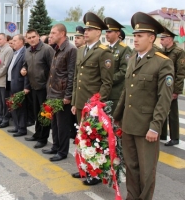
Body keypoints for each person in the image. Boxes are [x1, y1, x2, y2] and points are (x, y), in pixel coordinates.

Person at [113, 12, 174, 200]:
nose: (136, 39)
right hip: (129, 124)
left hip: (147, 127)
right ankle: (132, 196)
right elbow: (126, 91)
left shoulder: (162, 62)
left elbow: (164, 99)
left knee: (147, 170)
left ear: (152, 38)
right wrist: (117, 117)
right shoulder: (133, 59)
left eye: (140, 36)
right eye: (135, 35)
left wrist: (155, 127)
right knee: (131, 166)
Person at [70, 12, 114, 185]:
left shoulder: (103, 53)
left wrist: (97, 104)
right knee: (82, 137)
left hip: (93, 105)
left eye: (90, 29)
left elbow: (106, 83)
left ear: (99, 32)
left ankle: (95, 173)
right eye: (86, 29)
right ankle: (84, 167)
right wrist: (74, 101)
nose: (86, 32)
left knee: (94, 139)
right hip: (81, 103)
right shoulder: (81, 51)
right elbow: (76, 78)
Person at [42, 24, 77, 162]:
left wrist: (68, 95)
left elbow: (71, 73)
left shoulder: (70, 49)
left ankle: (62, 151)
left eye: (54, 32)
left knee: (62, 125)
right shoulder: (57, 49)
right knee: (54, 123)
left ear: (62, 33)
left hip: (62, 94)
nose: (51, 35)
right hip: (53, 91)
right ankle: (55, 146)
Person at [21, 29, 55, 149]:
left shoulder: (47, 49)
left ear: (38, 36)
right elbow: (26, 64)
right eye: (29, 38)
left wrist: (50, 86)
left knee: (44, 114)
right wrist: (24, 69)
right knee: (36, 113)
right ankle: (37, 134)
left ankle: (43, 138)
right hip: (33, 86)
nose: (31, 39)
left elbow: (53, 68)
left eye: (33, 37)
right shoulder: (28, 51)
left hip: (44, 87)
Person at [160, 27, 185, 146]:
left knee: (173, 113)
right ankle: (163, 134)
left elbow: (180, 73)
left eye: (163, 38)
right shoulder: (163, 51)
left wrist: (176, 91)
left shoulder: (178, 52)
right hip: (162, 86)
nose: (161, 41)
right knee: (161, 109)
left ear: (170, 39)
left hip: (171, 87)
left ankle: (175, 137)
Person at [104, 17, 132, 113]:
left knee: (113, 123)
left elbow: (124, 71)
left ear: (118, 33)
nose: (106, 34)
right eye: (106, 32)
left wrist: (107, 80)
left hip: (115, 93)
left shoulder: (124, 49)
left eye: (110, 32)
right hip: (104, 92)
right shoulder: (105, 48)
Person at [6, 34, 30, 137]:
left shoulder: (24, 53)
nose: (13, 42)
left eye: (15, 41)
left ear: (21, 42)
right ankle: (17, 126)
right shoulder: (15, 52)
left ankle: (22, 128)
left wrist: (26, 86)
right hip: (12, 83)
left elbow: (26, 71)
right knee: (14, 106)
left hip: (19, 84)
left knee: (21, 108)